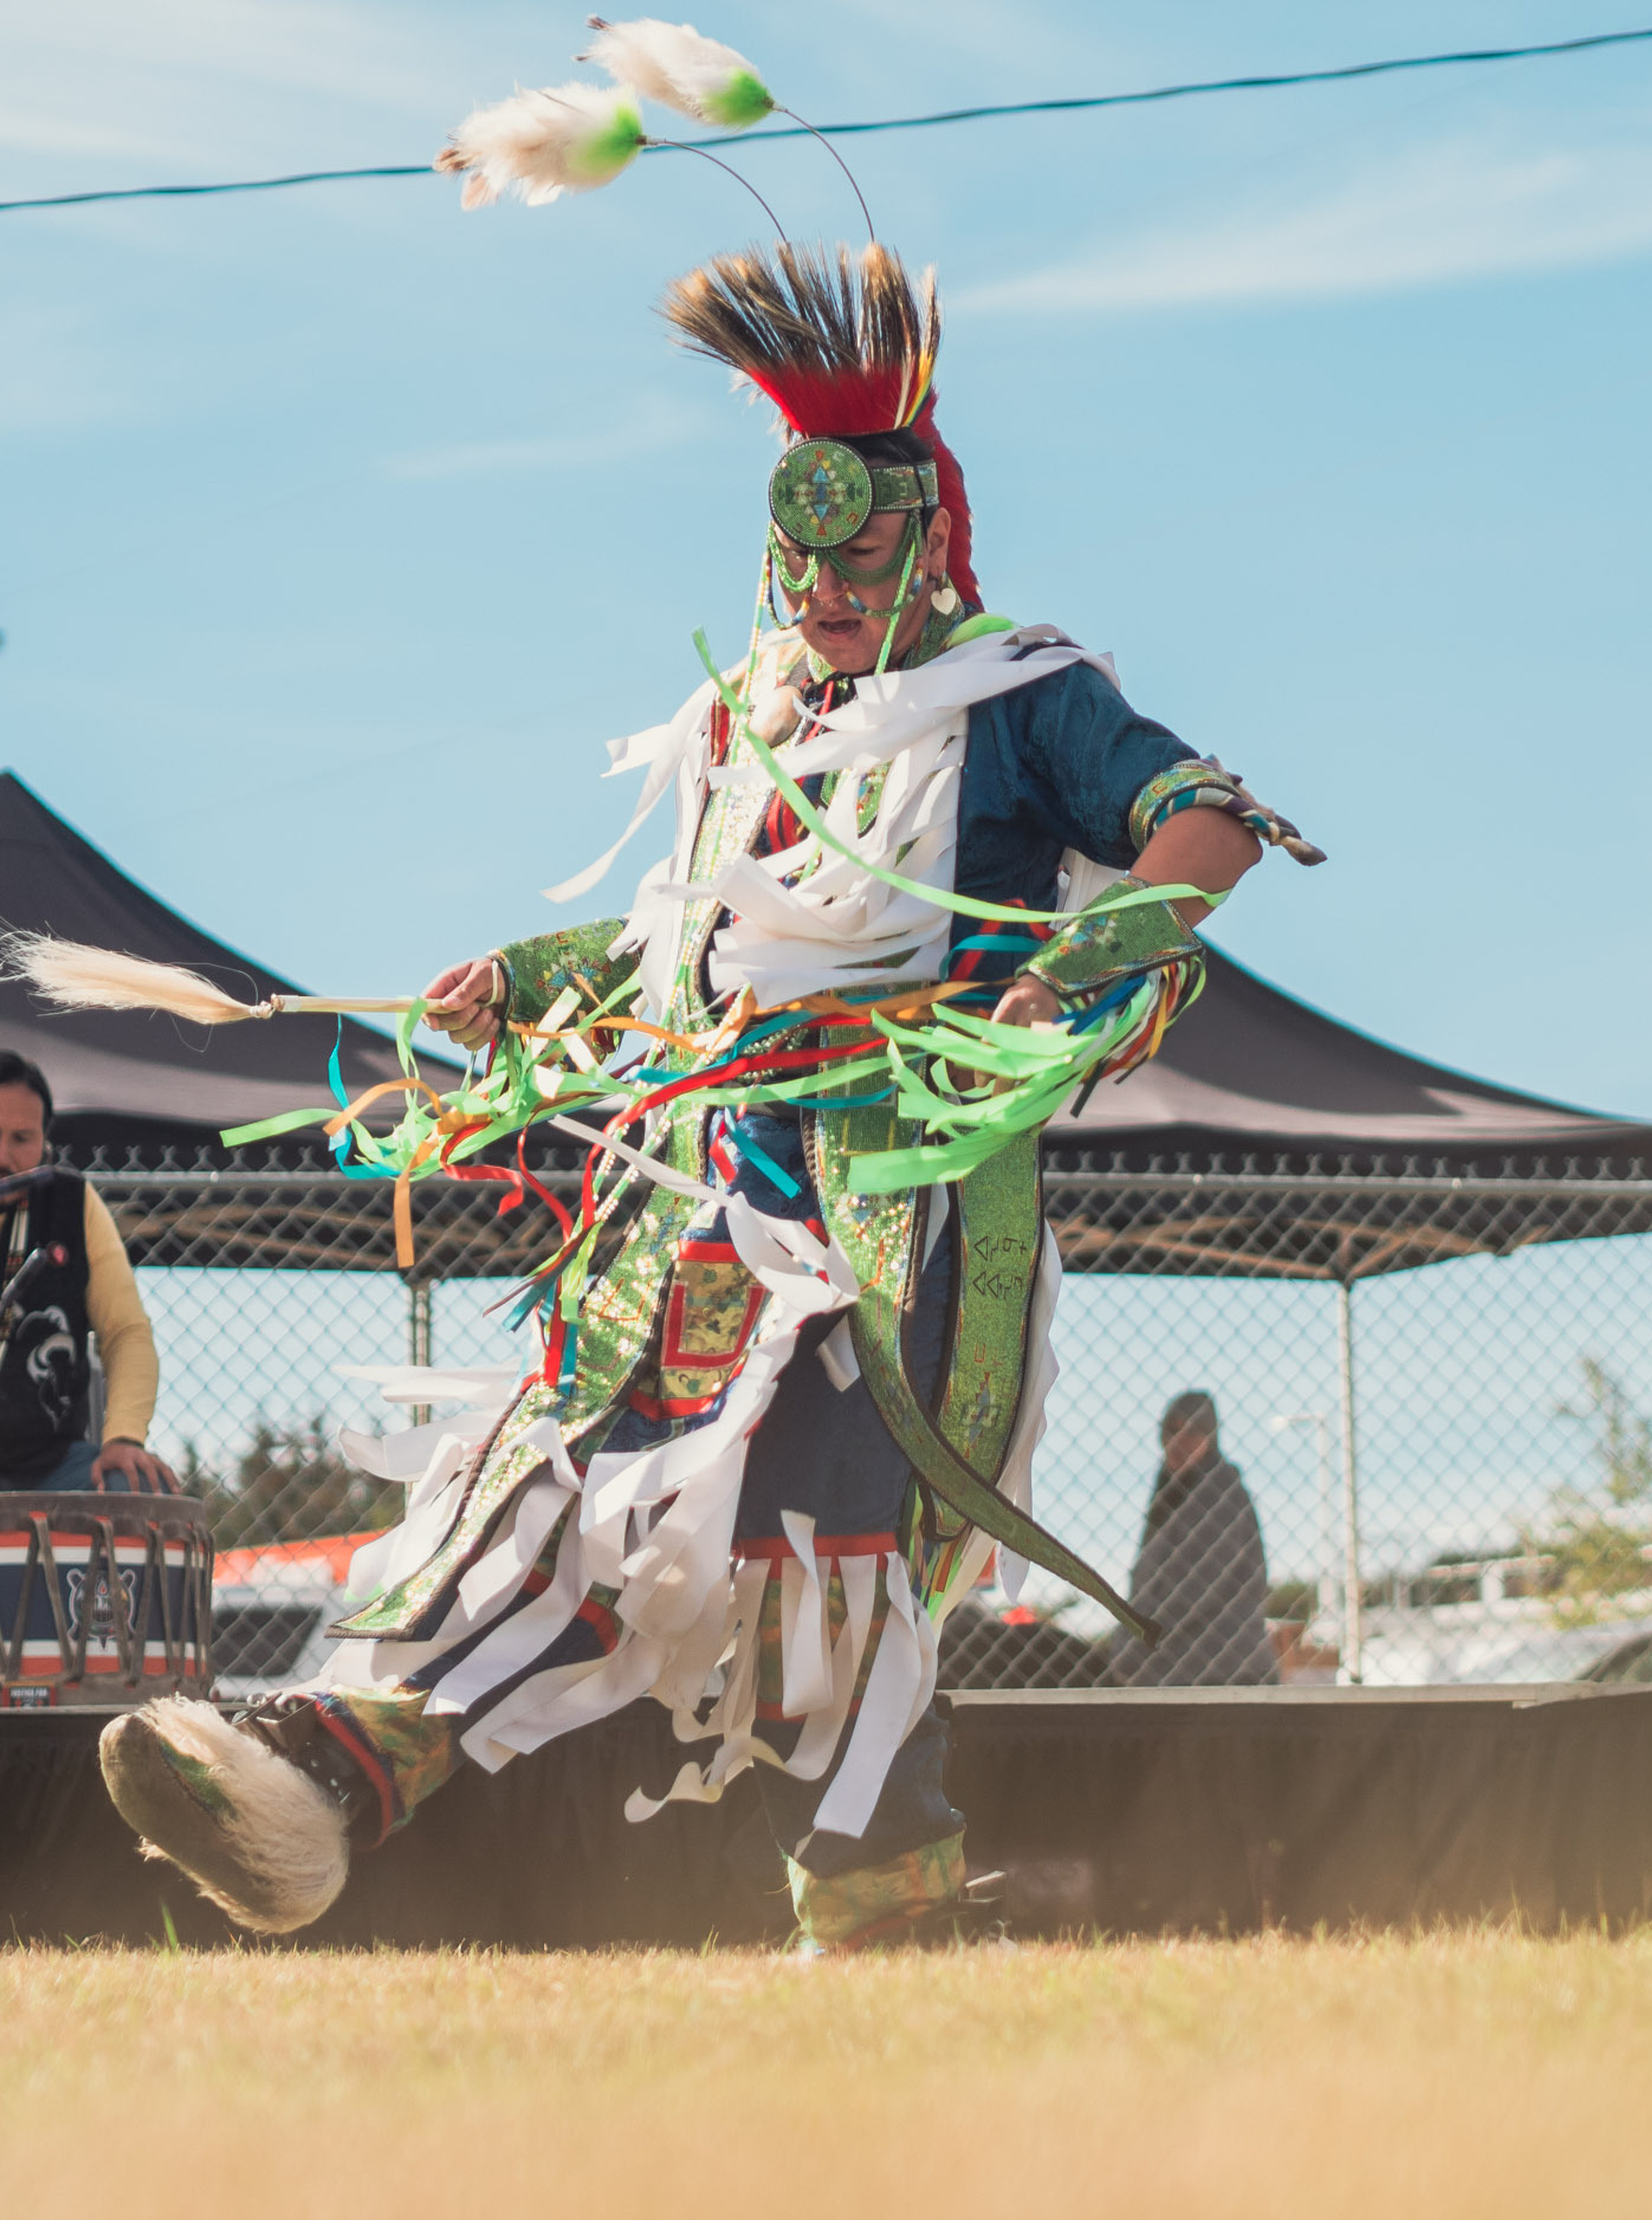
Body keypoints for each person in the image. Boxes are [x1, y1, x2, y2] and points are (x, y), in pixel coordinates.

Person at [100, 237, 1322, 1951]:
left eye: (859, 548)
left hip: (896, 1214)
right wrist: (530, 978)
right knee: (559, 1464)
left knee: (816, 1563)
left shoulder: (1022, 696)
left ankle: (878, 1907)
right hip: (702, 1182)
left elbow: (1204, 825)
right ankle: (330, 1774)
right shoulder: (751, 725)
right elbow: (700, 938)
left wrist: (1076, 964)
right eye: (795, 550)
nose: (821, 585)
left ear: (928, 537)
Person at [0, 1051, 177, 1495]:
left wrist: (124, 1438)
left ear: (45, 1143)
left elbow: (127, 1332)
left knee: (134, 1487)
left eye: (21, 1138)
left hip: (53, 1465)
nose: (3, 1157)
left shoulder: (73, 1202)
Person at [1113, 1393, 1277, 1688]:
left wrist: (1135, 1641)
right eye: (1172, 1431)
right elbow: (1150, 1579)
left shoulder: (1218, 1491)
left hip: (1222, 1671)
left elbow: (1196, 1586)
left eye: (1192, 1432)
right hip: (1183, 1667)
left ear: (1209, 1437)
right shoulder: (1173, 1490)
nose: (1179, 1442)